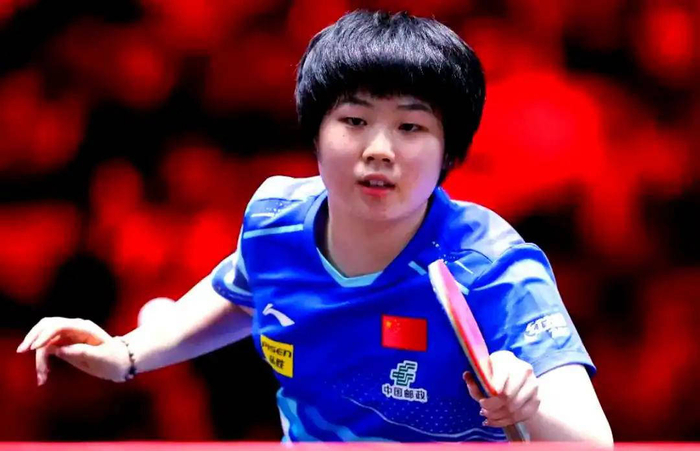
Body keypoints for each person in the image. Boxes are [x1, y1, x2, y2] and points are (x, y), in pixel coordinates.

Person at [17, 10, 613, 444]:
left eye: (411, 127)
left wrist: (526, 403)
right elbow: (242, 292)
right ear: (315, 132)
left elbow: (591, 440)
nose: (379, 150)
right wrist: (126, 353)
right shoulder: (276, 221)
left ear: (448, 152)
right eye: (354, 120)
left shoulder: (490, 266)